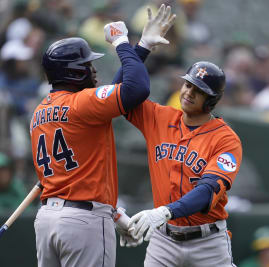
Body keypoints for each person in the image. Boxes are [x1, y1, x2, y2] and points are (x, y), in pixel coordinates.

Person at [29, 7, 175, 264]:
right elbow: (136, 88)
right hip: (83, 221)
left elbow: (120, 89)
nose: (93, 71)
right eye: (87, 65)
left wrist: (141, 47)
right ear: (73, 72)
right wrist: (121, 42)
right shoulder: (81, 103)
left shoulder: (39, 112)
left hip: (47, 219)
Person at [112, 7, 242, 266]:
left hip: (208, 243)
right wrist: (143, 47)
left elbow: (207, 192)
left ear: (213, 99)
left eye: (199, 90)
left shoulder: (227, 140)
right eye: (188, 84)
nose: (189, 93)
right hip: (164, 240)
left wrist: (165, 211)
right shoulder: (161, 117)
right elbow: (118, 94)